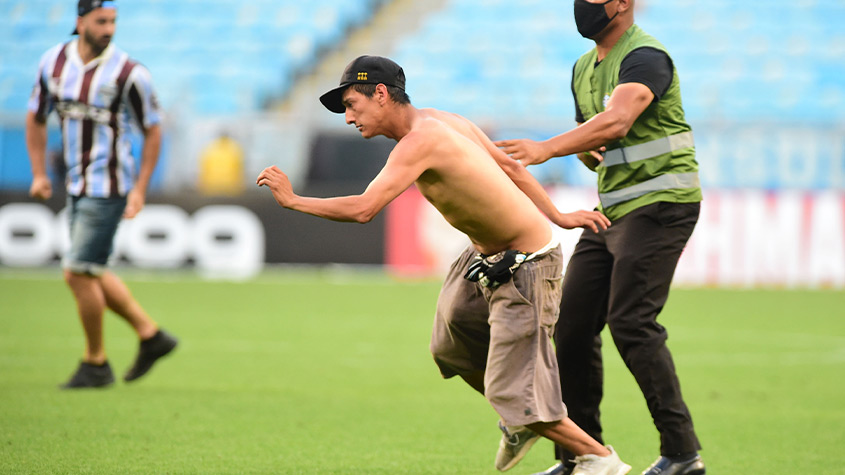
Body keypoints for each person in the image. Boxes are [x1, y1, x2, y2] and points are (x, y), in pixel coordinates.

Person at [257, 55, 631, 475]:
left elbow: (364, 208)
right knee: (450, 349)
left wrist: (293, 200)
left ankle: (600, 460)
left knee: (518, 396)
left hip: (525, 268)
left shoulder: (421, 141)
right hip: (482, 258)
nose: (347, 118)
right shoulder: (443, 121)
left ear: (380, 94)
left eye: (351, 104)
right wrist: (558, 215)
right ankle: (520, 420)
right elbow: (509, 166)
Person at [495, 1, 705, 474]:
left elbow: (615, 121)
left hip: (661, 203)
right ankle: (583, 456)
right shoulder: (582, 68)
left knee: (631, 322)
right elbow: (596, 142)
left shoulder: (646, 56)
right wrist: (589, 152)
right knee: (569, 327)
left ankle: (682, 453)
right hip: (612, 208)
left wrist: (546, 148)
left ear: (623, 4)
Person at [26, 0, 178, 389]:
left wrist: (140, 189)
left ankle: (96, 363)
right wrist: (40, 173)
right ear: (80, 22)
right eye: (101, 21)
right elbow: (36, 115)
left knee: (77, 272)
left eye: (113, 21)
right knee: (90, 268)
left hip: (109, 186)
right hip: (74, 183)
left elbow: (153, 130)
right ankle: (151, 335)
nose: (109, 28)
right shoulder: (52, 63)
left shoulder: (129, 72)